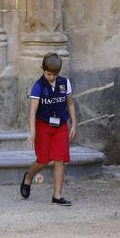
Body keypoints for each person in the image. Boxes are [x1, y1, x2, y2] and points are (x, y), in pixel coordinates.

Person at [20, 51, 76, 206]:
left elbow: (70, 104)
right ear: (42, 69)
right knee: (44, 159)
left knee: (60, 160)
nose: (51, 77)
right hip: (43, 125)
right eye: (48, 73)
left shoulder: (65, 83)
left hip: (61, 126)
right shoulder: (38, 87)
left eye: (54, 74)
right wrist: (32, 132)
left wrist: (73, 124)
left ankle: (57, 196)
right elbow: (32, 111)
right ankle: (28, 177)